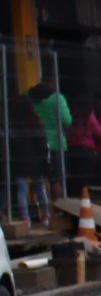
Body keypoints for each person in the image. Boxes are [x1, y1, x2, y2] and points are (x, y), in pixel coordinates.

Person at [9, 88, 50, 221]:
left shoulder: (12, 124)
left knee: (22, 190)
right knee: (40, 188)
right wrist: (45, 159)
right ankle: (46, 215)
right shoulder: (35, 122)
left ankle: (25, 218)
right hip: (36, 161)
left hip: (19, 161)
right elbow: (42, 144)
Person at [30, 80, 70, 192]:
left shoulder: (30, 98)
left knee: (39, 178)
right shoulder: (57, 99)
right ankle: (57, 206)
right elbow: (67, 121)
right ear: (51, 82)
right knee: (56, 179)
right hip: (56, 144)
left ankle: (43, 206)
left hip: (37, 144)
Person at [66, 96, 101, 194]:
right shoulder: (89, 116)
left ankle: (72, 197)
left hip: (72, 150)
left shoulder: (72, 115)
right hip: (86, 151)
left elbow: (66, 131)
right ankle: (83, 198)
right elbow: (99, 132)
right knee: (85, 179)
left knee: (73, 178)